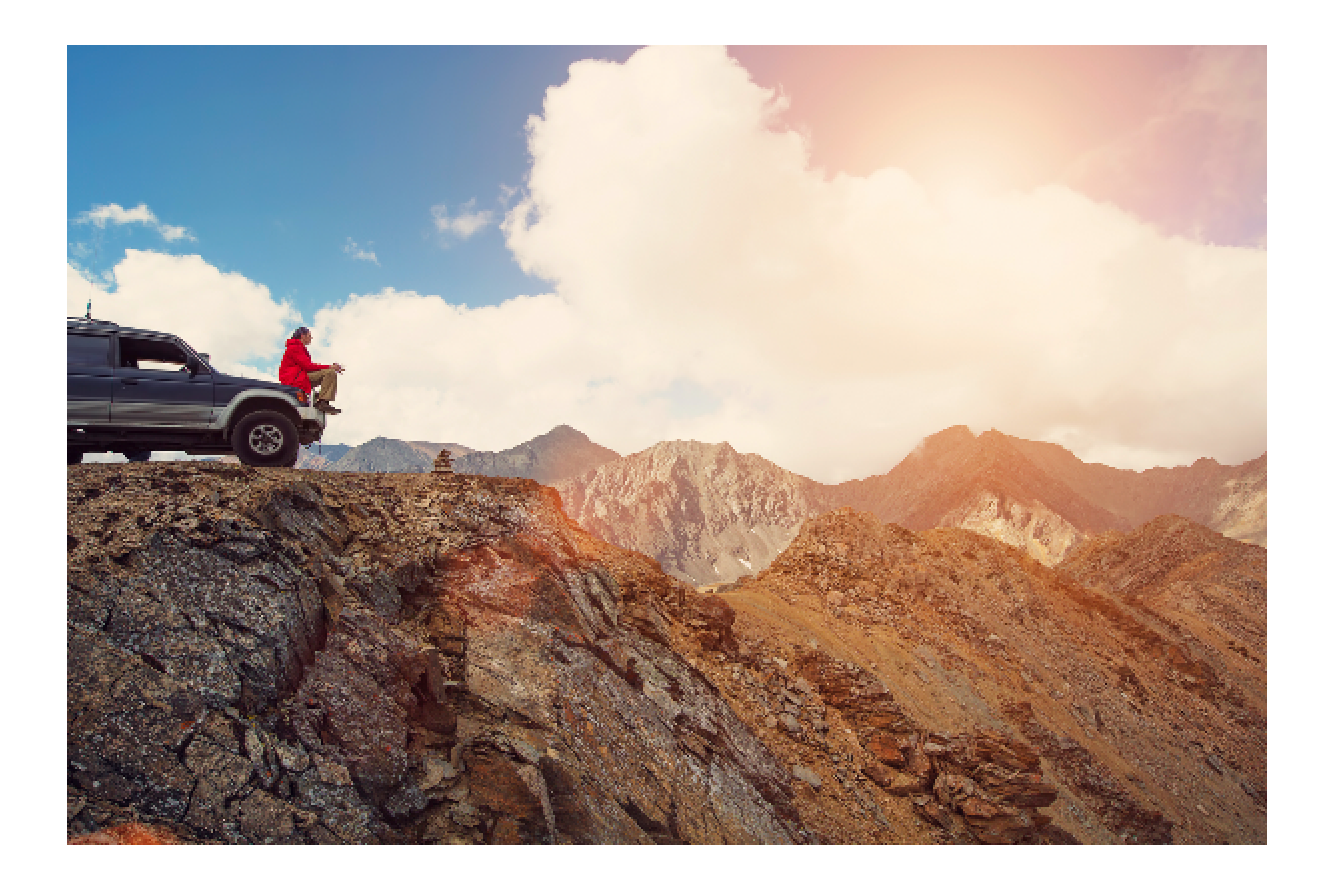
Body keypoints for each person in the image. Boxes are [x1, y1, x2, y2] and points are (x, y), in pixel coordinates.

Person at [279, 327, 345, 414]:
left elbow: (308, 367)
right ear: (303, 336)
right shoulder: (295, 348)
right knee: (330, 373)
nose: (311, 338)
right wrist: (330, 367)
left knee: (327, 373)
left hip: (299, 377)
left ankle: (320, 399)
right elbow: (308, 366)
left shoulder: (299, 348)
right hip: (294, 380)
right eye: (309, 336)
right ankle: (322, 402)